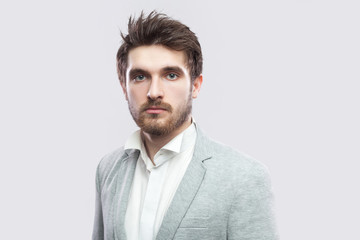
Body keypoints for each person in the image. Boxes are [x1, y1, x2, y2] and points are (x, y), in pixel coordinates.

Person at [92, 11, 278, 240]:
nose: (154, 92)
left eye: (170, 75)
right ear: (124, 86)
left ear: (196, 86)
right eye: (140, 77)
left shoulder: (244, 178)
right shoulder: (108, 169)